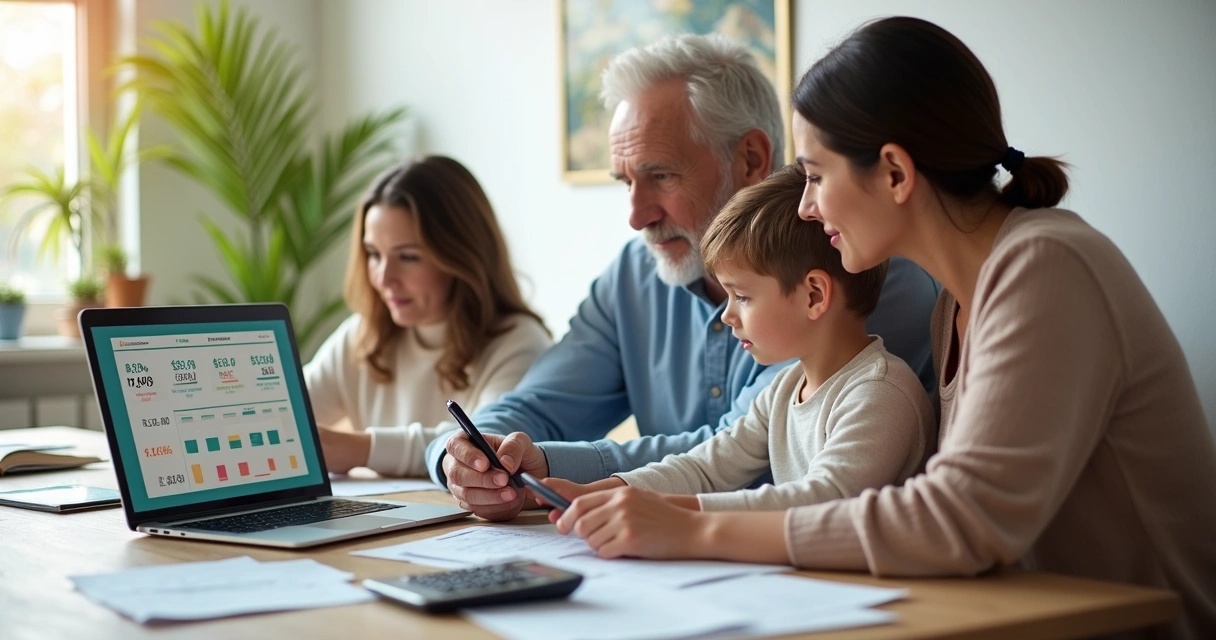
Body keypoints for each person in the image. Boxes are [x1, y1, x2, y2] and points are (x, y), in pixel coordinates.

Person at [558, 17, 1216, 639]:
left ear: (897, 173)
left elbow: (958, 519)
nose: (808, 206)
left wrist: (693, 528)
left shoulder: (1045, 265)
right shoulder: (953, 304)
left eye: (815, 175)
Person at [429, 34, 942, 522]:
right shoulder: (640, 273)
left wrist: (653, 510)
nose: (636, 216)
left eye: (661, 175)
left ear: (750, 159)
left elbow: (802, 496)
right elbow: (704, 462)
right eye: (626, 181)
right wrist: (478, 460)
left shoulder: (854, 268)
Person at [541, 166, 936, 556]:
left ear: (814, 295)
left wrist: (673, 515)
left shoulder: (879, 393)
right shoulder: (784, 389)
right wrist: (602, 491)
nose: (727, 315)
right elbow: (706, 467)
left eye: (742, 297)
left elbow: (823, 501)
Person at [304, 156, 551, 477]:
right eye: (374, 254)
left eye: (408, 257)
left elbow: (488, 449)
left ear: (461, 255)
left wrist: (361, 449)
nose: (384, 276)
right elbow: (285, 416)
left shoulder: (518, 343)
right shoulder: (361, 336)